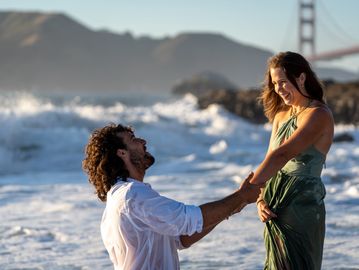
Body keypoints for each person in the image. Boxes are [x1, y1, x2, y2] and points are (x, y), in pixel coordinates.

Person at [82, 123, 261, 270]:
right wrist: (241, 196)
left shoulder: (120, 196)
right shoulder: (132, 194)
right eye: (133, 140)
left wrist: (232, 207)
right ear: (122, 153)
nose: (143, 141)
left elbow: (182, 238)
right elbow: (188, 220)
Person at [248, 51, 334, 270]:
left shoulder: (318, 114)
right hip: (274, 203)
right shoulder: (280, 116)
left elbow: (282, 154)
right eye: (275, 84)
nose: (279, 89)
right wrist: (259, 198)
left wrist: (243, 194)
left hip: (302, 204)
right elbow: (270, 158)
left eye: (284, 82)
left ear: (302, 78)